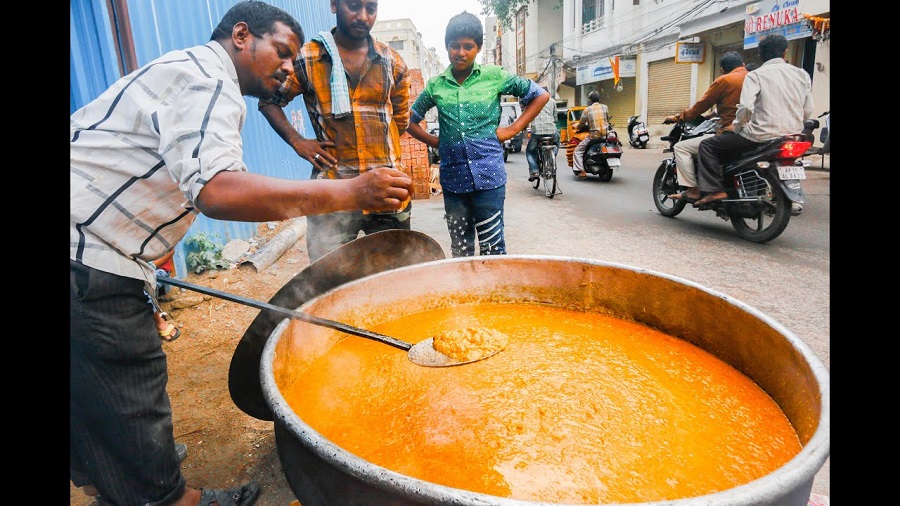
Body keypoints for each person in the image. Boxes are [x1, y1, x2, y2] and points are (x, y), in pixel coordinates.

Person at [70, 2, 412, 505]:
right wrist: (350, 192)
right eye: (281, 52)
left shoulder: (185, 69)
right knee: (129, 383)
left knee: (87, 385)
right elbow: (218, 190)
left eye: (294, 60)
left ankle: (112, 475)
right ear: (241, 35)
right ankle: (170, 497)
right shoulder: (208, 79)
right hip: (89, 257)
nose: (288, 69)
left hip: (89, 245)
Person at [259, 0, 412, 262]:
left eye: (371, 8)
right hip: (332, 191)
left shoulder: (393, 63)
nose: (363, 16)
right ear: (333, 5)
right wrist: (298, 142)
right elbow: (269, 101)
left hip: (387, 190)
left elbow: (400, 122)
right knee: (328, 276)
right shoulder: (307, 59)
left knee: (394, 274)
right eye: (353, 6)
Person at [405, 11, 549, 257]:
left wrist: (513, 129)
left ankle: (492, 294)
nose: (460, 52)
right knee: (460, 248)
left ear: (478, 48)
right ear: (447, 47)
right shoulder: (436, 85)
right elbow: (409, 120)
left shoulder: (494, 77)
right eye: (454, 46)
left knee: (493, 247)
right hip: (453, 180)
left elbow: (539, 95)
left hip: (489, 178)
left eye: (468, 46)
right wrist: (435, 142)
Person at [693, 34, 813, 207]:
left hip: (760, 134)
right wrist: (796, 123)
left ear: (760, 54)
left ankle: (714, 190)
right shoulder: (802, 74)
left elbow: (746, 108)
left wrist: (737, 126)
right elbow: (808, 108)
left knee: (707, 146)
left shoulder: (756, 75)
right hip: (792, 134)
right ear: (785, 52)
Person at [664, 51, 747, 202]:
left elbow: (701, 106)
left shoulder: (725, 80)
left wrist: (677, 117)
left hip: (734, 131)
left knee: (683, 147)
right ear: (743, 65)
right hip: (759, 130)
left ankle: (694, 190)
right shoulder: (755, 78)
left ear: (722, 69)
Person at [572, 90, 610, 178]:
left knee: (577, 151)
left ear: (590, 100)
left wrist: (578, 127)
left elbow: (581, 123)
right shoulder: (605, 107)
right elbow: (606, 119)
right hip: (606, 135)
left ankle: (581, 170)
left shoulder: (587, 110)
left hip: (594, 136)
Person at [525, 86, 560, 182]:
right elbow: (555, 118)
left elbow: (528, 117)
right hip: (552, 131)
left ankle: (535, 171)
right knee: (556, 144)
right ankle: (549, 160)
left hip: (537, 132)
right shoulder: (552, 101)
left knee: (530, 152)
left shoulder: (532, 102)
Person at [150, 249, 181, 342]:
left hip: (158, 269)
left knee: (143, 287)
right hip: (138, 272)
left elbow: (171, 251)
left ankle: (159, 322)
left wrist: (150, 266)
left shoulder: (157, 235)